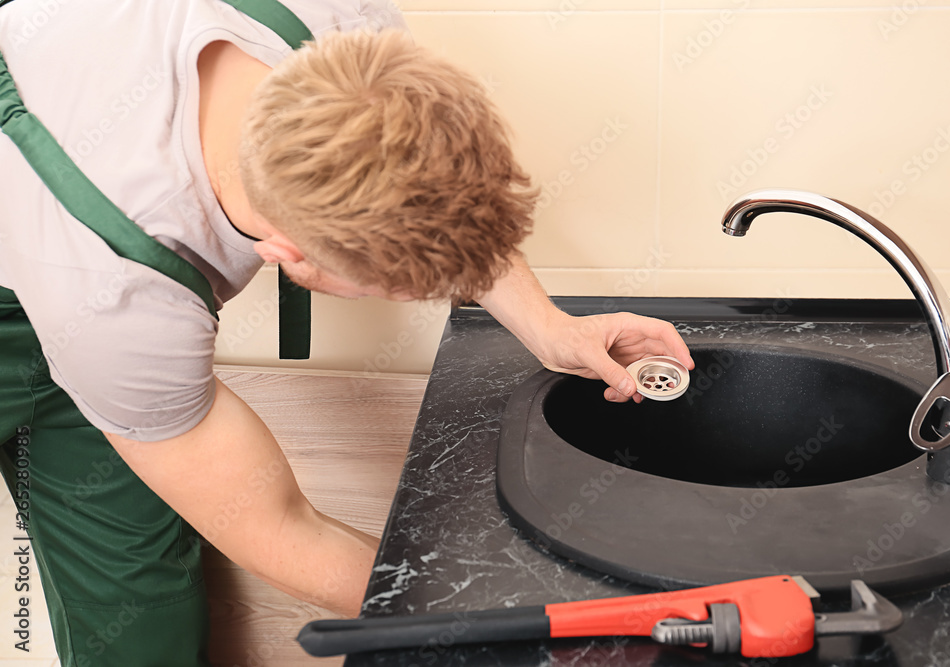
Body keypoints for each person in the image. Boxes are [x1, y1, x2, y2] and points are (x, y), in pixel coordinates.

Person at [0, 0, 693, 664]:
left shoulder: (345, 22)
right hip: (57, 276)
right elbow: (279, 527)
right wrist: (525, 614)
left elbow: (442, 193)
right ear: (288, 256)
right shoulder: (122, 303)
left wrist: (549, 329)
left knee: (139, 627)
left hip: (74, 279)